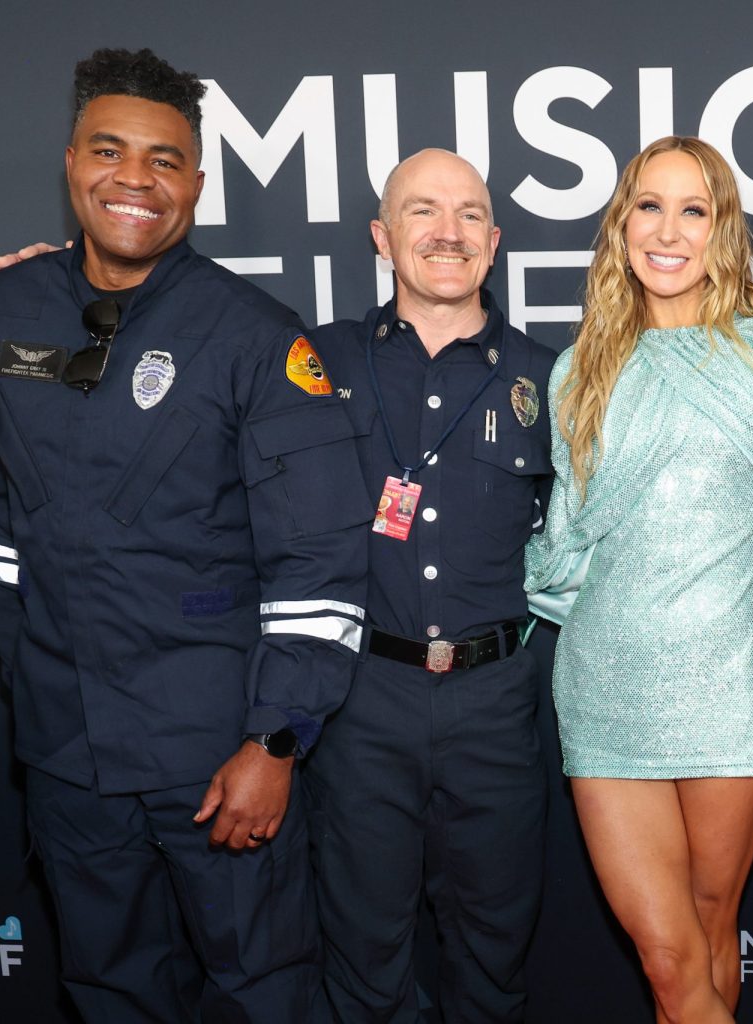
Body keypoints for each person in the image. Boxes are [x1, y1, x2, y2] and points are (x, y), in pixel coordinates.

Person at [0, 48, 369, 1022]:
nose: (134, 179)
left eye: (164, 159)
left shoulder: (257, 335)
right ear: (71, 163)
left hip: (216, 755)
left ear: (197, 183)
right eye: (110, 150)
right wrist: (32, 665)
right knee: (109, 992)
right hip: (65, 753)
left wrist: (274, 739)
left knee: (265, 993)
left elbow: (319, 559)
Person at [525, 136, 753, 1023]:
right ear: (621, 228)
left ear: (722, 230)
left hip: (732, 678)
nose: (668, 231)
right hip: (607, 684)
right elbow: (568, 529)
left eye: (693, 210)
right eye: (648, 208)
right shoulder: (579, 370)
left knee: (709, 925)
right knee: (664, 956)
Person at [306, 149, 555, 1024]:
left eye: (469, 215)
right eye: (422, 211)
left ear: (495, 241)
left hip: (498, 706)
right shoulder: (313, 361)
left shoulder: (552, 377)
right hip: (361, 704)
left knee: (493, 958)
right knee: (364, 959)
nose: (448, 232)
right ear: (382, 237)